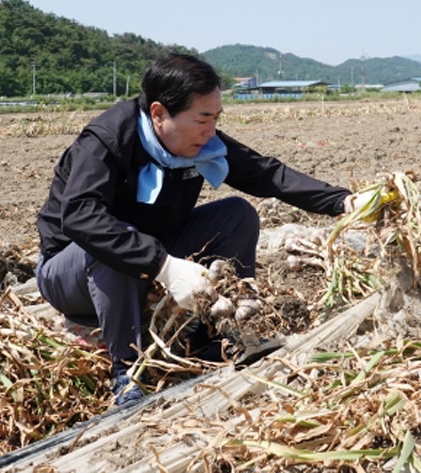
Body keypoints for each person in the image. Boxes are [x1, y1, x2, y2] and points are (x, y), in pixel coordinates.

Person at [35, 53, 353, 405]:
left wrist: (343, 202)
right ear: (158, 113)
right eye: (203, 118)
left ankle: (221, 336)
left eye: (216, 118)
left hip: (149, 255)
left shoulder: (199, 143)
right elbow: (80, 216)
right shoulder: (108, 140)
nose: (212, 130)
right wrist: (164, 266)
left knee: (237, 214)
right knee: (115, 236)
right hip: (71, 273)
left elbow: (266, 174)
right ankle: (126, 372)